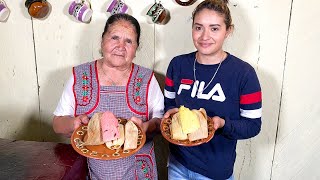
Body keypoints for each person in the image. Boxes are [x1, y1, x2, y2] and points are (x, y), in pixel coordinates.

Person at [52, 13, 164, 180]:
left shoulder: (147, 79)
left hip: (138, 172)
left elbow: (161, 122)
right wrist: (73, 123)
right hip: (91, 170)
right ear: (102, 40)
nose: (121, 46)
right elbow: (57, 124)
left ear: (136, 48)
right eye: (114, 37)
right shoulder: (80, 76)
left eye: (129, 41)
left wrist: (147, 127)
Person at [163, 0, 262, 179]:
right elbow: (169, 104)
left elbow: (253, 126)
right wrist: (171, 113)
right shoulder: (177, 65)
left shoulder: (244, 74)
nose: (204, 36)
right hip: (178, 164)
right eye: (198, 27)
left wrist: (222, 124)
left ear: (228, 31)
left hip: (215, 173)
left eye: (214, 28)